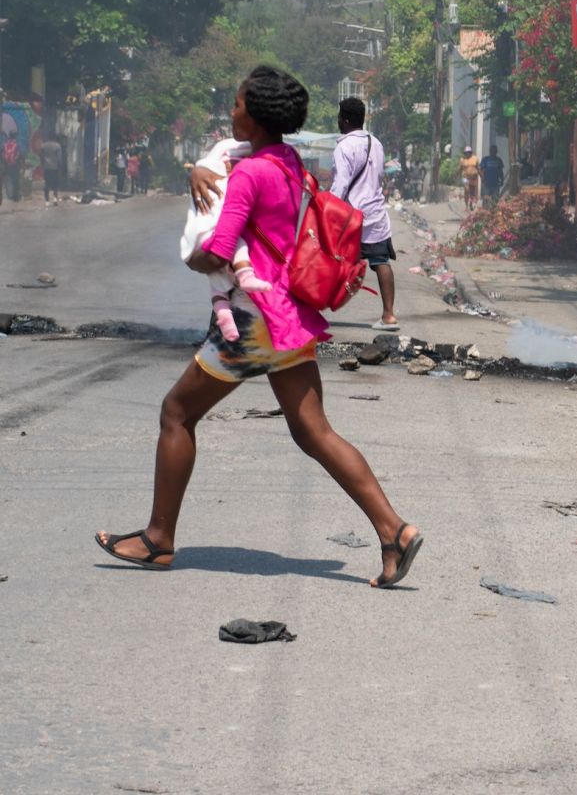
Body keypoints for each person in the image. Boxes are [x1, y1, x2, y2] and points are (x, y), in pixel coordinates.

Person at [95, 66, 421, 587]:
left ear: (257, 113)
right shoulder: (287, 162)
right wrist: (193, 171)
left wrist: (194, 257)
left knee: (176, 413)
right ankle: (394, 531)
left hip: (252, 322)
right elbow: (221, 161)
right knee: (314, 431)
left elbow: (221, 249)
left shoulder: (249, 174)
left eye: (238, 103)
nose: (231, 111)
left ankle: (158, 539)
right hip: (288, 314)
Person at [179, 137, 273, 342]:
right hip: (244, 255)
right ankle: (220, 331)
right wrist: (201, 169)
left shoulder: (263, 162)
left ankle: (222, 332)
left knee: (222, 284)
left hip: (255, 264)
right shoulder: (260, 158)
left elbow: (217, 256)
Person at [330, 97, 400, 333]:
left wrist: (329, 208)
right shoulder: (376, 143)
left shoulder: (343, 147)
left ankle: (312, 309)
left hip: (351, 217)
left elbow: (341, 184)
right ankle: (389, 315)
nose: (339, 121)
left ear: (345, 120)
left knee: (331, 259)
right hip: (376, 214)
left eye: (340, 117)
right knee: (381, 262)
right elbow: (379, 175)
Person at [40, 136, 62, 204]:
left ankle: (47, 200)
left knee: (47, 183)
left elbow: (41, 157)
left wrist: (43, 165)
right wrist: (59, 167)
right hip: (55, 168)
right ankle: (55, 199)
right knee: (55, 184)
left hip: (46, 168)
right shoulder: (57, 146)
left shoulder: (43, 146)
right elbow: (59, 158)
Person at [459, 145, 480, 212]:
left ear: (471, 152)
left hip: (474, 177)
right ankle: (466, 206)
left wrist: (482, 176)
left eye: (468, 152)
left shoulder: (475, 159)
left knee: (472, 191)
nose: (467, 154)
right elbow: (460, 168)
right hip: (465, 178)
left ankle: (471, 202)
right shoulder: (462, 160)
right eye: (466, 152)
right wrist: (455, 175)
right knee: (466, 190)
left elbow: (478, 168)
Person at [3, 134, 22, 202]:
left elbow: (2, 155)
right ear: (15, 137)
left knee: (9, 181)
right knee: (16, 181)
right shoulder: (16, 145)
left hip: (8, 165)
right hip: (15, 165)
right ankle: (15, 197)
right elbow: (19, 154)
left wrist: (5, 166)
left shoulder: (5, 145)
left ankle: (9, 195)